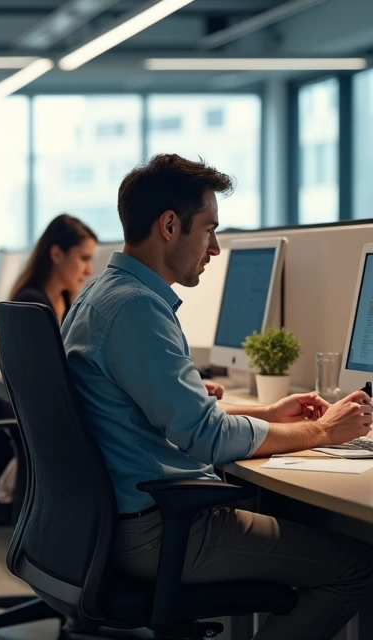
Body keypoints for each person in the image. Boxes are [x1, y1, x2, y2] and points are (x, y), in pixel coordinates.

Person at [62, 153, 373, 639]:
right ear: (170, 226)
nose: (215, 248)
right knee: (358, 568)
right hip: (158, 531)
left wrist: (267, 413)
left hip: (118, 523)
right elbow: (205, 437)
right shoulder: (137, 309)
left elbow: (161, 412)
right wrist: (322, 431)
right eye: (209, 229)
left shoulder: (101, 294)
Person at [10, 214, 98, 324]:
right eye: (84, 258)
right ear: (57, 254)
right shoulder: (31, 304)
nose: (90, 271)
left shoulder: (65, 302)